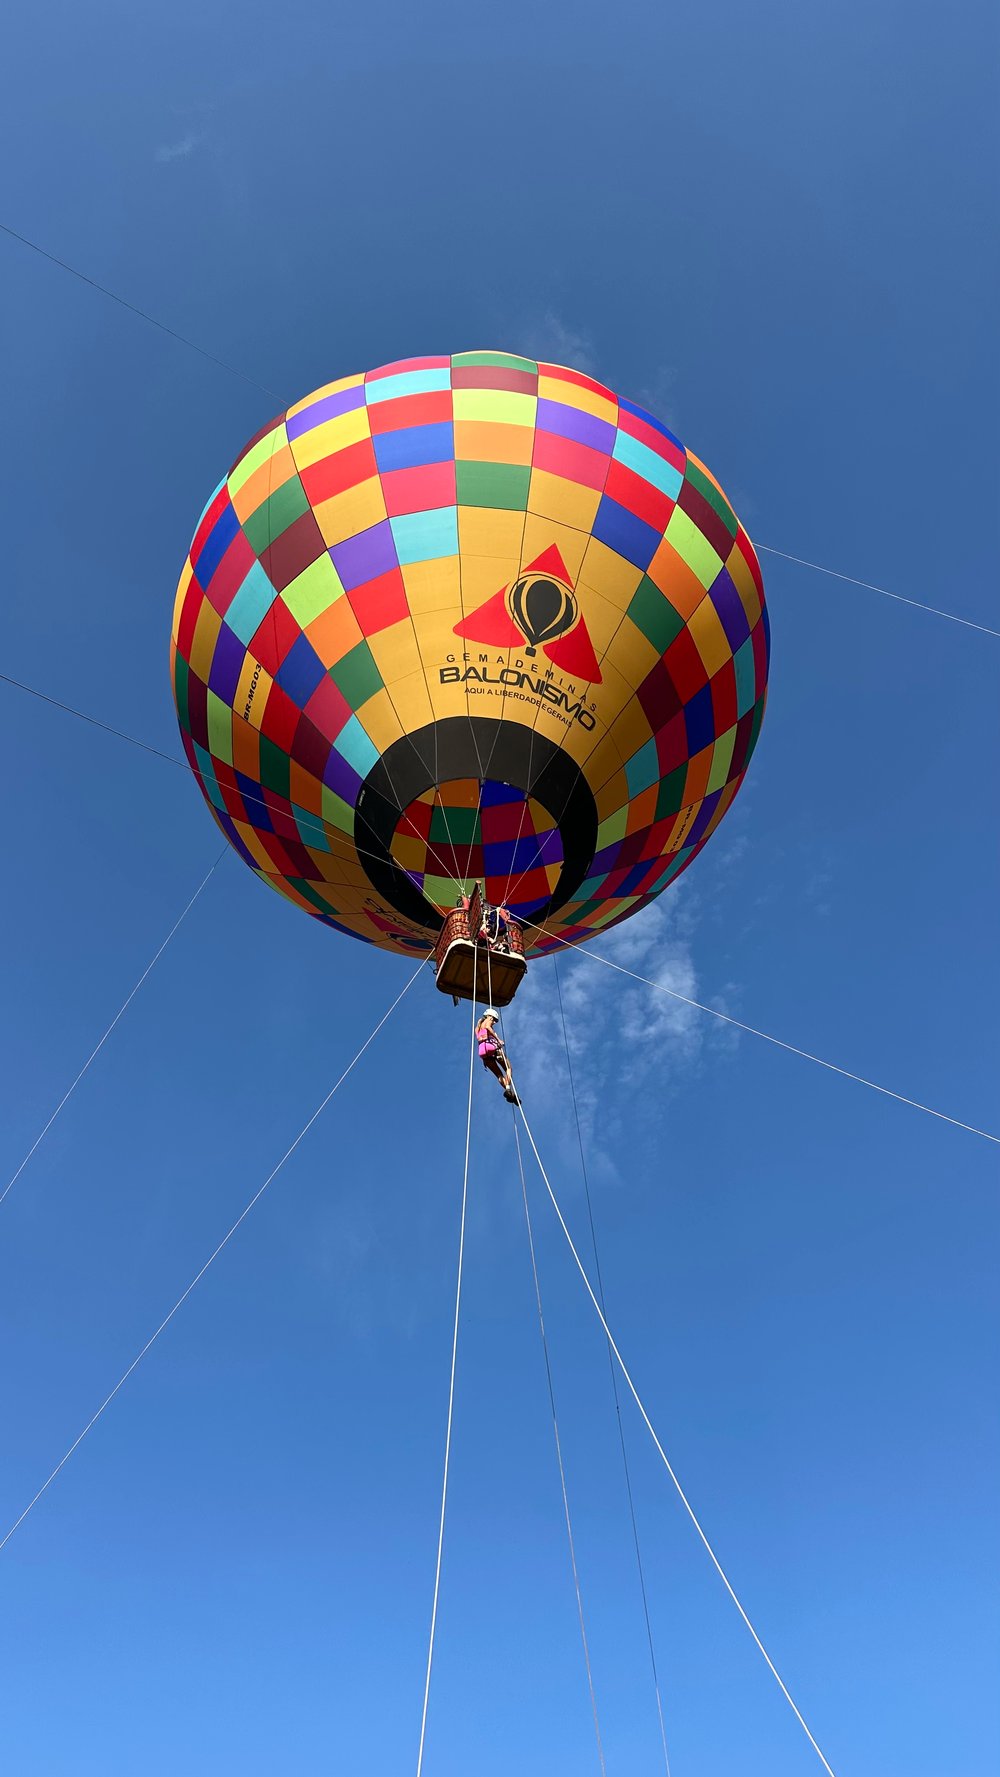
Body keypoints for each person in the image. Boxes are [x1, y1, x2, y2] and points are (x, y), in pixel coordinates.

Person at [474, 1008, 519, 1103]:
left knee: (499, 1074)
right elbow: (488, 1027)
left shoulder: (477, 1028)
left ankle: (508, 1091)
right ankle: (508, 1087)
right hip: (491, 1047)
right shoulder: (488, 1021)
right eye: (494, 1019)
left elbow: (480, 1039)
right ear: (489, 1016)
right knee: (508, 1068)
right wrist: (498, 1040)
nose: (494, 1022)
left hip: (482, 1052)